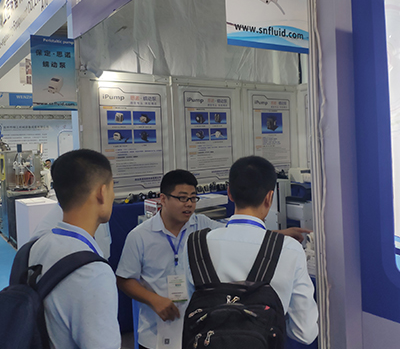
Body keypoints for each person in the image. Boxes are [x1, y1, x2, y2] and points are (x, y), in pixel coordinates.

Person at [116, 169, 310, 349]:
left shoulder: (202, 226)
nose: (189, 204)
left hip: (197, 329)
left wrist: (281, 234)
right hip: (156, 332)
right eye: (182, 198)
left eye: (193, 198)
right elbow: (124, 279)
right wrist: (154, 300)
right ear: (163, 199)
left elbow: (239, 233)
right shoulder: (140, 236)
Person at [185, 156, 318, 344]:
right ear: (269, 197)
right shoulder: (289, 249)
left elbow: (189, 310)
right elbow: (304, 333)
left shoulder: (195, 245)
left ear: (229, 193)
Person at [28, 149, 121, 349]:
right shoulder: (93, 272)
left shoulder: (38, 246)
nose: (113, 196)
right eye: (112, 188)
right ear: (102, 193)